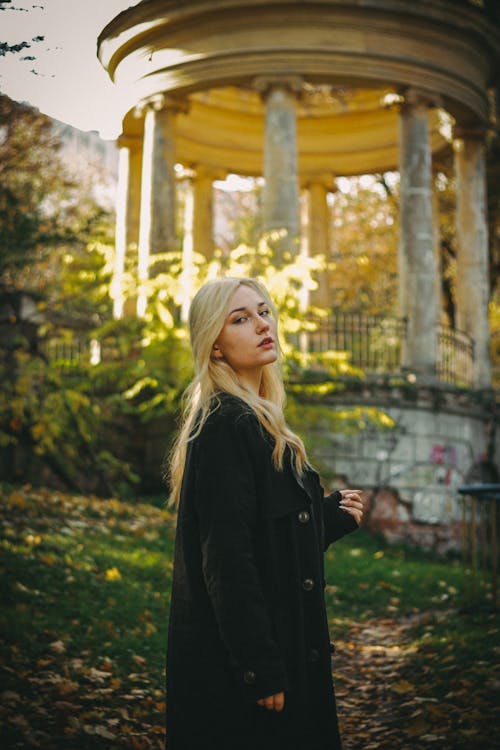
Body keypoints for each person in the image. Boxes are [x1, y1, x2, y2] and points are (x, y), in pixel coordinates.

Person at [166, 277, 364, 750]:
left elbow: (264, 540)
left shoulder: (257, 418)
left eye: (263, 312)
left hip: (284, 647)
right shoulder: (223, 425)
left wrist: (323, 518)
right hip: (248, 670)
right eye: (240, 319)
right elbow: (228, 561)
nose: (261, 325)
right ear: (215, 347)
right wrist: (260, 667)